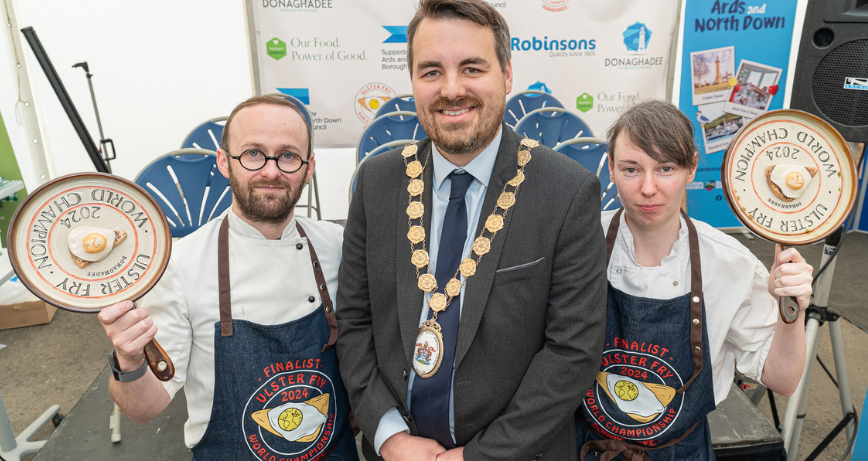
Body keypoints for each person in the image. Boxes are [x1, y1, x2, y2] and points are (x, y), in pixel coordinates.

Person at [335, 1, 607, 460]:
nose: (452, 89)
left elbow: (573, 353)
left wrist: (475, 458)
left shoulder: (565, 191)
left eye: (472, 68)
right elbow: (355, 323)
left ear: (507, 75)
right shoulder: (376, 184)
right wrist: (389, 436)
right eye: (431, 72)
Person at [98, 95, 358, 460]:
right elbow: (144, 409)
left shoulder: (338, 246)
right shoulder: (180, 264)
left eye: (288, 155)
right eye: (253, 153)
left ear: (308, 167)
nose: (271, 171)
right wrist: (128, 359)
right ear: (224, 161)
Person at [575, 100, 812, 460]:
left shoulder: (731, 263)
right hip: (584, 445)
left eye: (666, 168)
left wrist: (792, 313)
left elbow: (783, 379)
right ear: (610, 168)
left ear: (692, 169)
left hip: (680, 451)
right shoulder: (577, 242)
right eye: (631, 169)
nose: (649, 188)